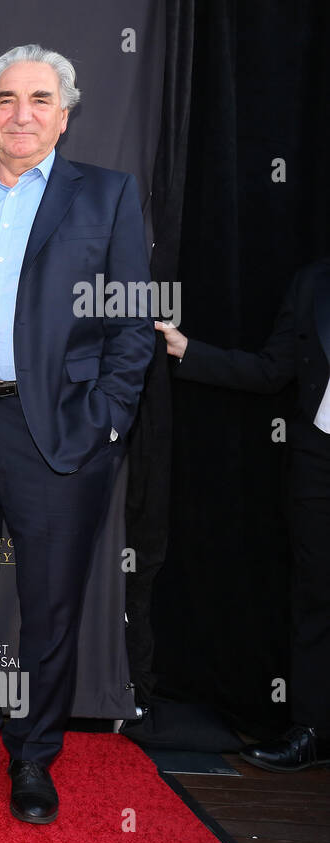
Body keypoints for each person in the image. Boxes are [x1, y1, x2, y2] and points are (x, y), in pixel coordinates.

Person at [0, 44, 154, 824]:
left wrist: (108, 419)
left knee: (49, 605)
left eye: (40, 100)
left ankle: (35, 754)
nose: (22, 114)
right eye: (7, 100)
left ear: (65, 113)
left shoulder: (108, 196)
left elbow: (131, 322)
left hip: (59, 426)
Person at [157, 259, 330, 771]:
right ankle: (315, 731)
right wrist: (189, 351)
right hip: (319, 462)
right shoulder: (313, 281)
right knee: (316, 599)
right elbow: (273, 370)